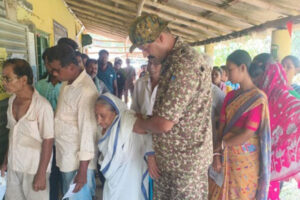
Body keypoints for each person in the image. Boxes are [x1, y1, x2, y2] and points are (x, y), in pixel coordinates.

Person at [130, 14, 213, 199]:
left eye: (146, 47)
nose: (145, 54)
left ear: (161, 38)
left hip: (186, 166)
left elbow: (164, 122)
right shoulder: (171, 61)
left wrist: (140, 124)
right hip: (170, 162)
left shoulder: (186, 64)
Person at [209, 50, 271, 200]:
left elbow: (247, 133)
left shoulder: (257, 98)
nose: (228, 75)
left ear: (243, 68)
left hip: (245, 162)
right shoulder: (230, 96)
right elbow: (221, 125)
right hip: (223, 155)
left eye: (230, 70)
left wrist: (221, 145)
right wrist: (217, 154)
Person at [47, 44, 98, 200]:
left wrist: (82, 172)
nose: (54, 74)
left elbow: (88, 132)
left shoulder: (85, 90)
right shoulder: (67, 83)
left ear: (70, 66)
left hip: (79, 165)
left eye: (56, 70)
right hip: (66, 157)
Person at [1, 59, 54, 200]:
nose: (4, 83)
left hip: (34, 169)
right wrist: (6, 162)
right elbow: (13, 133)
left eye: (8, 78)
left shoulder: (42, 106)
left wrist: (41, 174)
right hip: (14, 166)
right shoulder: (12, 101)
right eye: (3, 78)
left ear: (23, 80)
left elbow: (48, 140)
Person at [249, 53, 300, 200]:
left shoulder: (281, 94)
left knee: (268, 191)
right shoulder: (265, 93)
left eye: (288, 66)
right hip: (259, 154)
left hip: (270, 157)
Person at [96, 93, 150, 200]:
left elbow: (149, 130)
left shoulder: (126, 121)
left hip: (130, 177)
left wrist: (143, 118)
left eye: (102, 116)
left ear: (115, 112)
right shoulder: (102, 128)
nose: (98, 120)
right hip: (112, 180)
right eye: (96, 116)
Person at [131, 58, 161, 200]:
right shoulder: (140, 83)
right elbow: (134, 110)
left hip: (162, 139)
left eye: (156, 63)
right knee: (144, 179)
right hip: (143, 137)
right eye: (150, 63)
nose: (152, 67)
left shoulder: (169, 84)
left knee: (159, 180)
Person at [35, 48, 62, 200]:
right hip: (44, 136)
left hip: (60, 137)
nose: (48, 67)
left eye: (50, 63)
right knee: (48, 170)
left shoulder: (66, 86)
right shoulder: (39, 85)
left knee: (59, 171)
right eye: (46, 64)